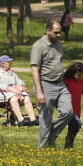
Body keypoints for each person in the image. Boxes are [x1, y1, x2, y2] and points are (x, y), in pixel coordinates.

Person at [30, 20, 71, 148]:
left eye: (60, 32)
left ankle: (52, 135)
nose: (59, 35)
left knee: (68, 111)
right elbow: (35, 69)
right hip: (45, 84)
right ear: (48, 31)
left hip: (60, 84)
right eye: (56, 33)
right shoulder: (38, 46)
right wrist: (39, 91)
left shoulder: (59, 44)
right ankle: (43, 148)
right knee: (46, 119)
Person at [0, 54, 38, 127]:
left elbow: (20, 81)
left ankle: (33, 119)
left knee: (26, 96)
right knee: (13, 97)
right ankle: (21, 120)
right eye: (8, 62)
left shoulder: (12, 72)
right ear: (2, 64)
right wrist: (10, 88)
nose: (10, 63)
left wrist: (20, 86)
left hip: (12, 92)